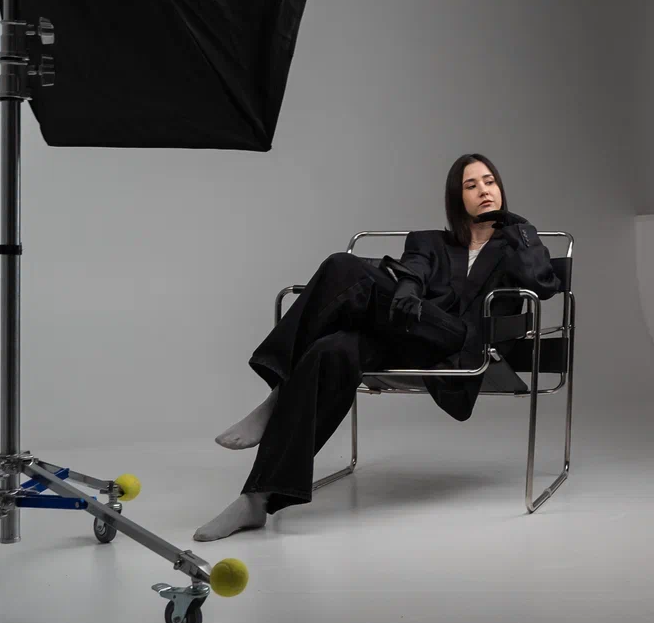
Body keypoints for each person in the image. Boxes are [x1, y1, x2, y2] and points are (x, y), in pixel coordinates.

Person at [196, 153, 560, 541]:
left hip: (458, 343)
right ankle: (256, 498)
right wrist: (407, 289)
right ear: (457, 199)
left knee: (342, 265)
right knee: (330, 351)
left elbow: (544, 285)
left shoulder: (515, 244)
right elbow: (415, 269)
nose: (484, 190)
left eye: (489, 181)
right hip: (408, 335)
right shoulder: (429, 241)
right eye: (471, 185)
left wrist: (519, 228)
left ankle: (277, 392)